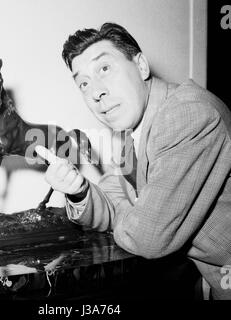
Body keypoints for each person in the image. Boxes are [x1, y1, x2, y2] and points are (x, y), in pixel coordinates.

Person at [35, 22, 231, 300]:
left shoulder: (187, 115)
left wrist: (128, 211)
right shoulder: (133, 135)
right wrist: (79, 190)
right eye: (84, 83)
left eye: (104, 69)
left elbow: (147, 239)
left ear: (141, 66)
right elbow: (116, 200)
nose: (95, 93)